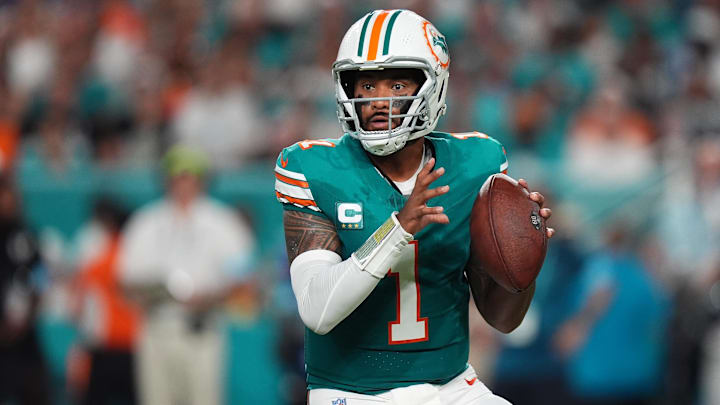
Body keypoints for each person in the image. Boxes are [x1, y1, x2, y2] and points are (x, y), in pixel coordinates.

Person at [274, 10, 553, 405]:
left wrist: (526, 255)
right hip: (353, 393)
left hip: (451, 386)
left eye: (397, 83)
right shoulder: (314, 169)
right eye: (366, 84)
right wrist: (398, 229)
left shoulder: (475, 163)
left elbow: (503, 320)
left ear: (433, 86)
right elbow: (318, 310)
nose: (376, 100)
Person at [118, 145, 256, 405]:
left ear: (202, 180)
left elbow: (245, 281)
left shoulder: (223, 223)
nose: (183, 184)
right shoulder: (145, 222)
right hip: (157, 327)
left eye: (189, 176)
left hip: (202, 329)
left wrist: (210, 297)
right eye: (176, 176)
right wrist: (155, 292)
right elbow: (126, 283)